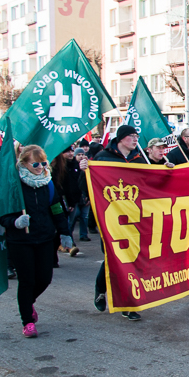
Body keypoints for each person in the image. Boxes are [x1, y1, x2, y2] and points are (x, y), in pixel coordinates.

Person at [0, 145, 72, 338]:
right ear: (24, 163)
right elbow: (0, 214)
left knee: (45, 278)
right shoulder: (14, 184)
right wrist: (14, 222)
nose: (40, 167)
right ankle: (27, 321)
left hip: (45, 237)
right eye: (35, 164)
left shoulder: (48, 182)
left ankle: (28, 303)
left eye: (44, 163)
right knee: (27, 280)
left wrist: (64, 232)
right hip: (21, 241)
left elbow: (56, 208)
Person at [80, 125, 145, 320]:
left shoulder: (139, 158)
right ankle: (101, 289)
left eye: (136, 136)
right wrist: (84, 172)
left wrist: (165, 170)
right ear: (121, 138)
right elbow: (87, 187)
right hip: (110, 217)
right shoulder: (103, 157)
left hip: (134, 218)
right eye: (131, 136)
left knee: (131, 258)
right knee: (113, 257)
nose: (135, 140)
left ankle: (128, 304)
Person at [50, 149, 79, 259]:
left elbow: (67, 186)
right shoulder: (42, 168)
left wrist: (70, 202)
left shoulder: (62, 168)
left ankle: (64, 246)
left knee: (63, 225)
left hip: (59, 201)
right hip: (48, 201)